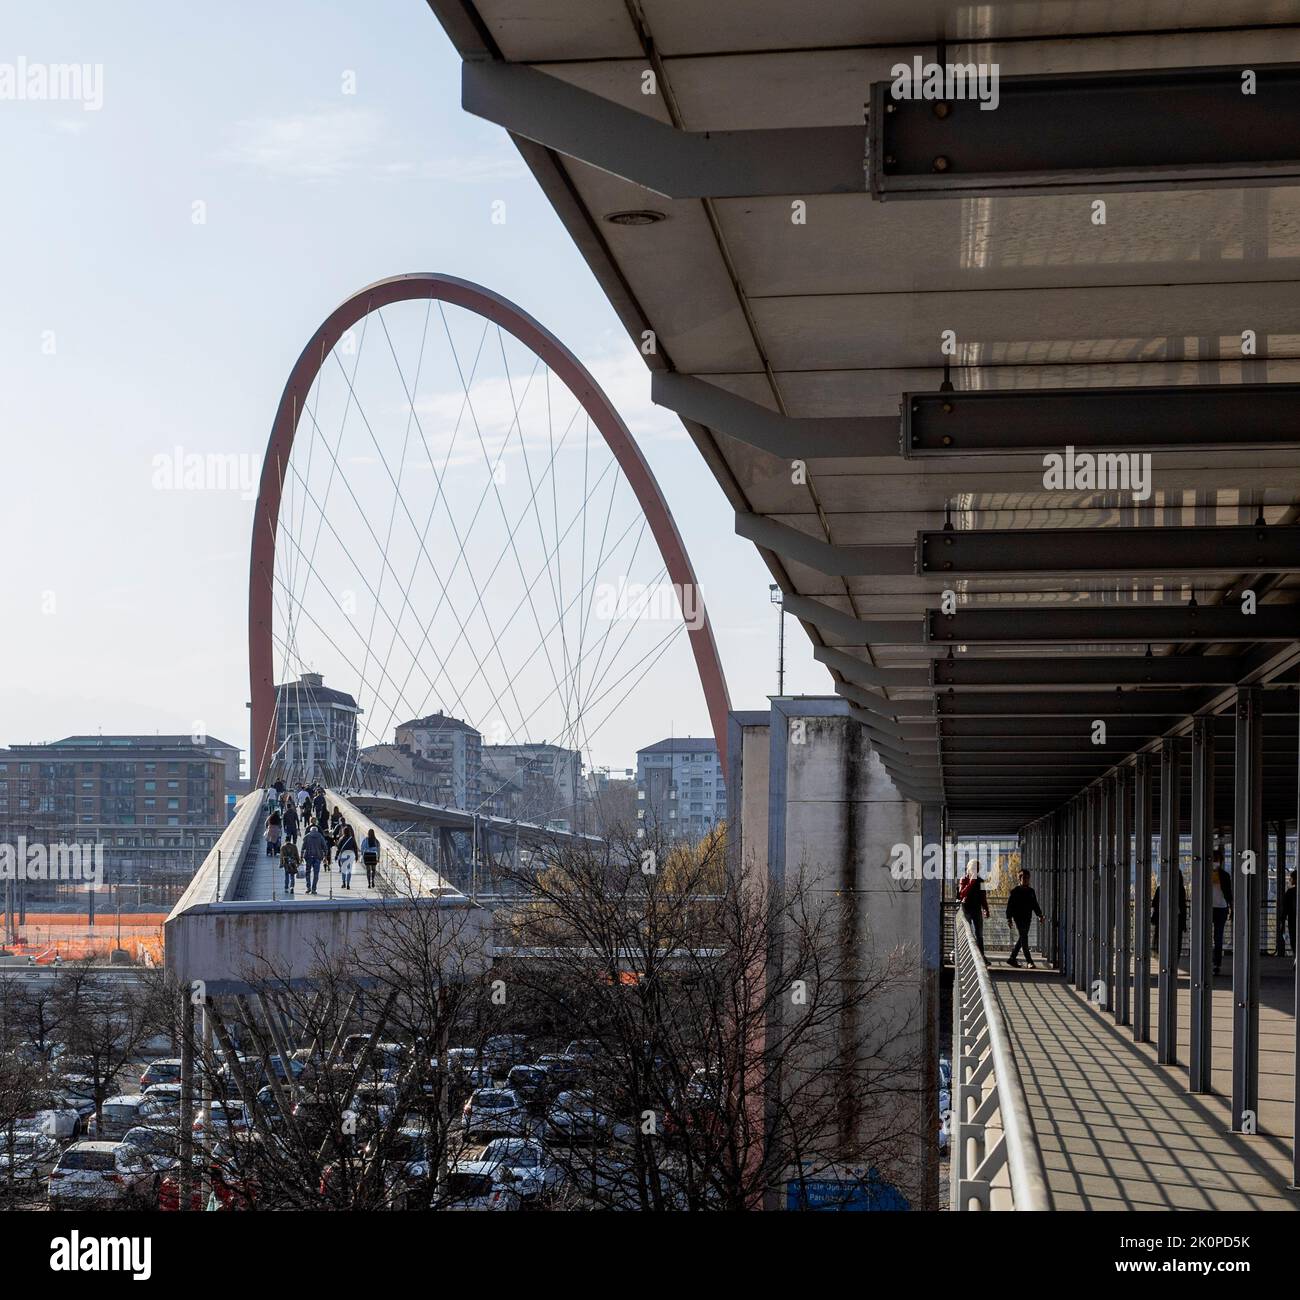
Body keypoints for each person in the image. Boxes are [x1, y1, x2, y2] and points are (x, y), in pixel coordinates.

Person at [1005, 869, 1044, 968]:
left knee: (1022, 938)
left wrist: (1040, 915)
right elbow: (1010, 906)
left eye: (1027, 878)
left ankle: (1012, 958)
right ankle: (1029, 961)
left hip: (1027, 918)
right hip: (1018, 918)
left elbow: (1035, 904)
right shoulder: (1015, 891)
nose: (1026, 880)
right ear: (1020, 879)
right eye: (1024, 878)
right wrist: (1009, 919)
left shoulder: (1031, 891)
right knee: (1024, 938)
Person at [1150, 870, 1188, 960]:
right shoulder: (1181, 889)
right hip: (1177, 918)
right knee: (1176, 941)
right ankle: (1174, 959)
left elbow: (1154, 903)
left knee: (1162, 940)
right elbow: (1183, 907)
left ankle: (1164, 958)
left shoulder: (1161, 888)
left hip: (1162, 918)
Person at [957, 859, 990, 956]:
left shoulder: (981, 881)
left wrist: (986, 909)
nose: (976, 871)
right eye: (974, 868)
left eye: (978, 869)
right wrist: (971, 882)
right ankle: (966, 955)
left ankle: (982, 956)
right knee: (967, 933)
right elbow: (961, 894)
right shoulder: (964, 879)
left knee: (979, 934)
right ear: (969, 869)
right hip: (966, 909)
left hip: (976, 909)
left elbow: (983, 897)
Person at [1209, 854, 1233, 977]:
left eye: (1216, 860)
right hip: (1209, 909)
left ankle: (1216, 964)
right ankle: (1208, 962)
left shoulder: (1224, 876)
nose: (1215, 862)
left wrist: (1232, 908)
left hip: (1221, 909)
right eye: (1214, 860)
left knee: (1218, 937)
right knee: (1208, 937)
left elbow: (1229, 893)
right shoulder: (1205, 873)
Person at [301, 822, 328, 896]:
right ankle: (314, 889)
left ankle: (308, 887)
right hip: (318, 857)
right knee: (316, 874)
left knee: (307, 873)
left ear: (310, 830)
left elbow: (303, 848)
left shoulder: (307, 836)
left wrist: (301, 856)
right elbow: (325, 847)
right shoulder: (320, 836)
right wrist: (325, 856)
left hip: (308, 856)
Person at [335, 821, 359, 890]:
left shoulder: (341, 838)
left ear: (343, 832)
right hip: (351, 854)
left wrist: (336, 856)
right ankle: (348, 884)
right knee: (349, 869)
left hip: (344, 854)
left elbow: (339, 848)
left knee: (343, 869)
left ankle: (343, 883)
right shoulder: (352, 839)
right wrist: (356, 856)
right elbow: (355, 848)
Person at [1284, 872, 1296, 962]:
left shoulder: (1290, 892)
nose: (1289, 880)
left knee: (1294, 940)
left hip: (1293, 921)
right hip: (1293, 920)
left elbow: (1285, 908)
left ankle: (1296, 958)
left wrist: (1282, 920)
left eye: (1291, 878)